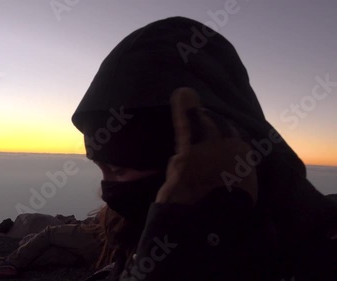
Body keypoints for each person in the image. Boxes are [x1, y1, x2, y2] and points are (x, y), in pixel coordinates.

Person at [71, 17, 337, 280]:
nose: (106, 192)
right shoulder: (129, 226)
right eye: (101, 168)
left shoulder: (319, 251)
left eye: (117, 168)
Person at [0, 212, 105, 278]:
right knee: (52, 254)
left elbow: (105, 220)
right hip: (99, 254)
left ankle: (10, 263)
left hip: (97, 236)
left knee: (49, 233)